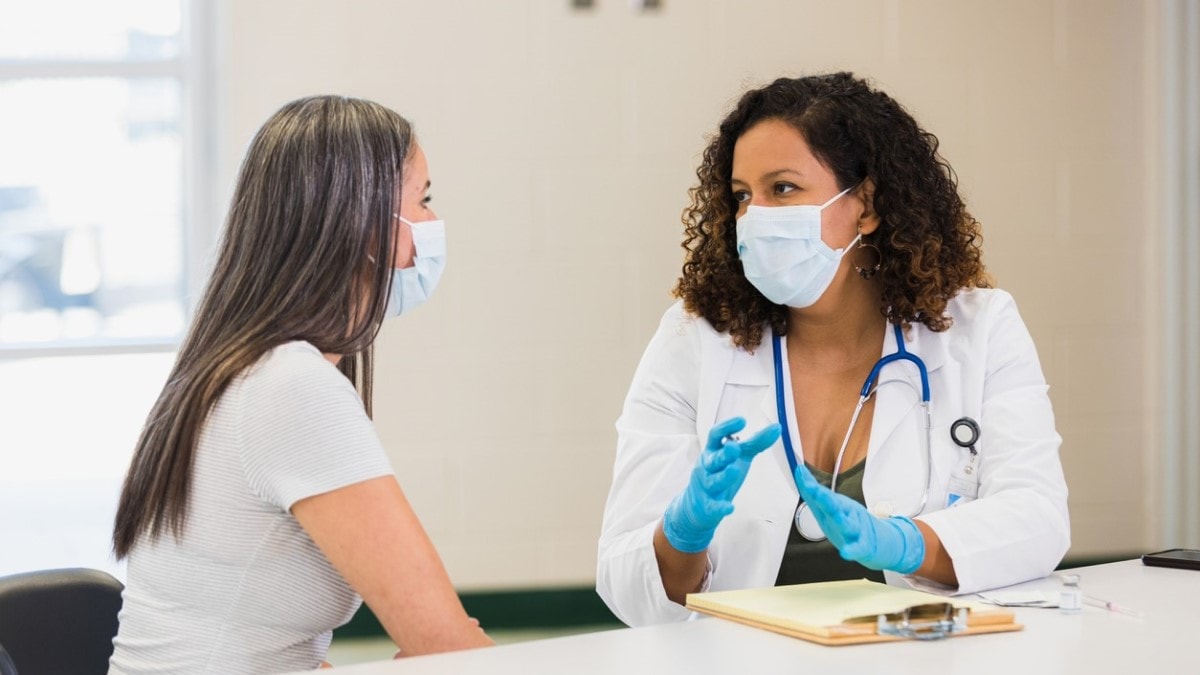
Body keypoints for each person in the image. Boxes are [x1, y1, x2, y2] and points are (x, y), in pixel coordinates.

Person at [596, 73, 1070, 626]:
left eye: (784, 188)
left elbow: (1038, 519)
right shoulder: (696, 339)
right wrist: (682, 534)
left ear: (865, 205)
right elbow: (622, 580)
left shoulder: (978, 330)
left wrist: (905, 544)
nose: (754, 218)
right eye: (743, 196)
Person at [107, 96, 493, 673]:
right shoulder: (289, 386)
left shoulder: (237, 366)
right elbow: (449, 648)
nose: (433, 225)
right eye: (424, 199)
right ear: (361, 219)